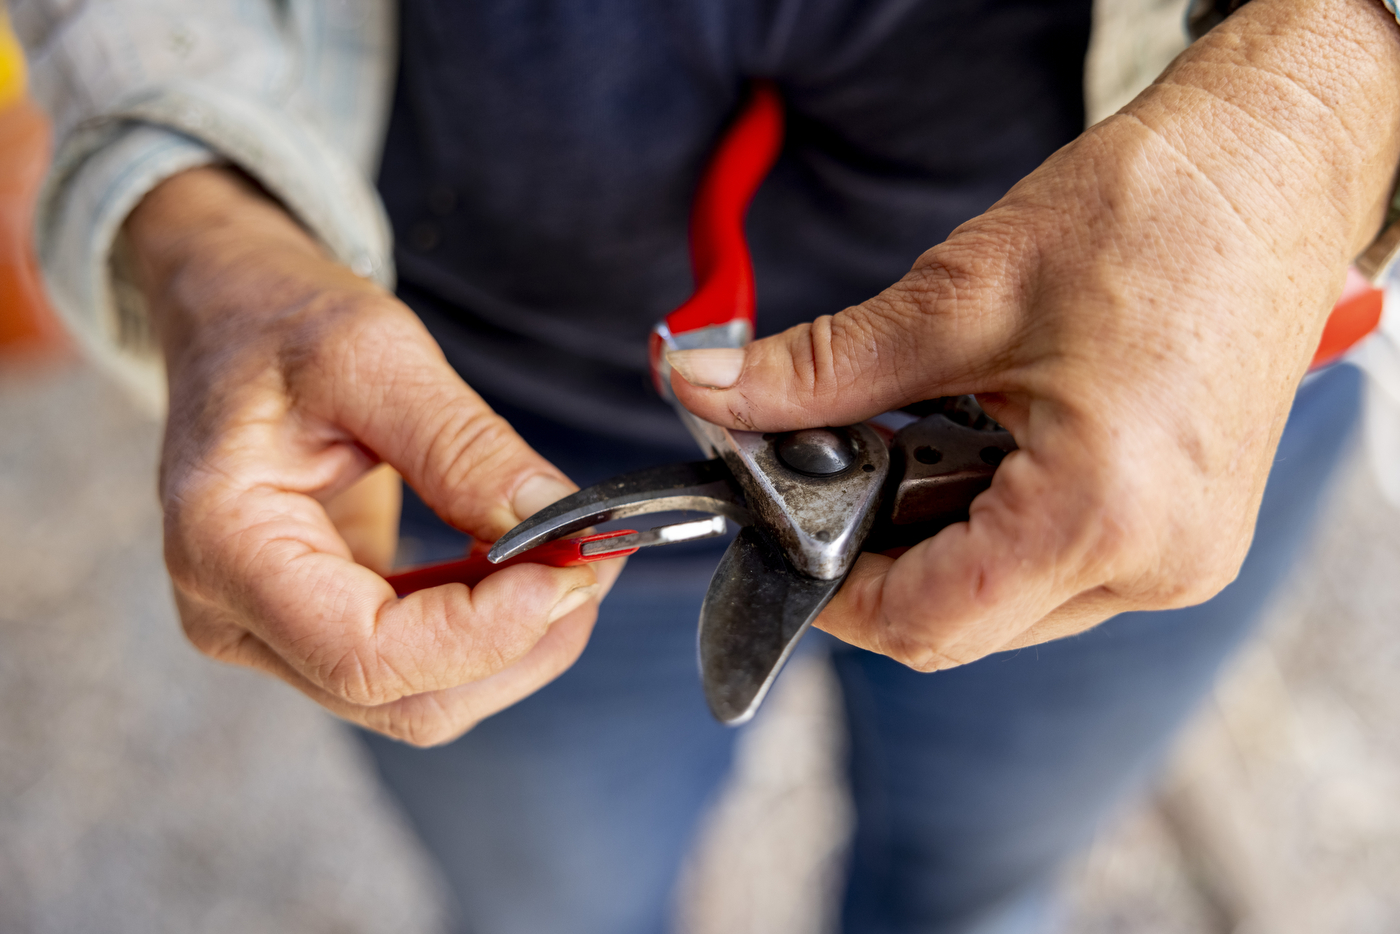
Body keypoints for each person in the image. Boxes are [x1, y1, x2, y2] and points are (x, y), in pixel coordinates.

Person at [16, 0, 1400, 930]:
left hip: (1157, 397)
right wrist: (201, 224)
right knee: (552, 901)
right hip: (457, 396)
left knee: (984, 880)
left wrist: (1313, 113)